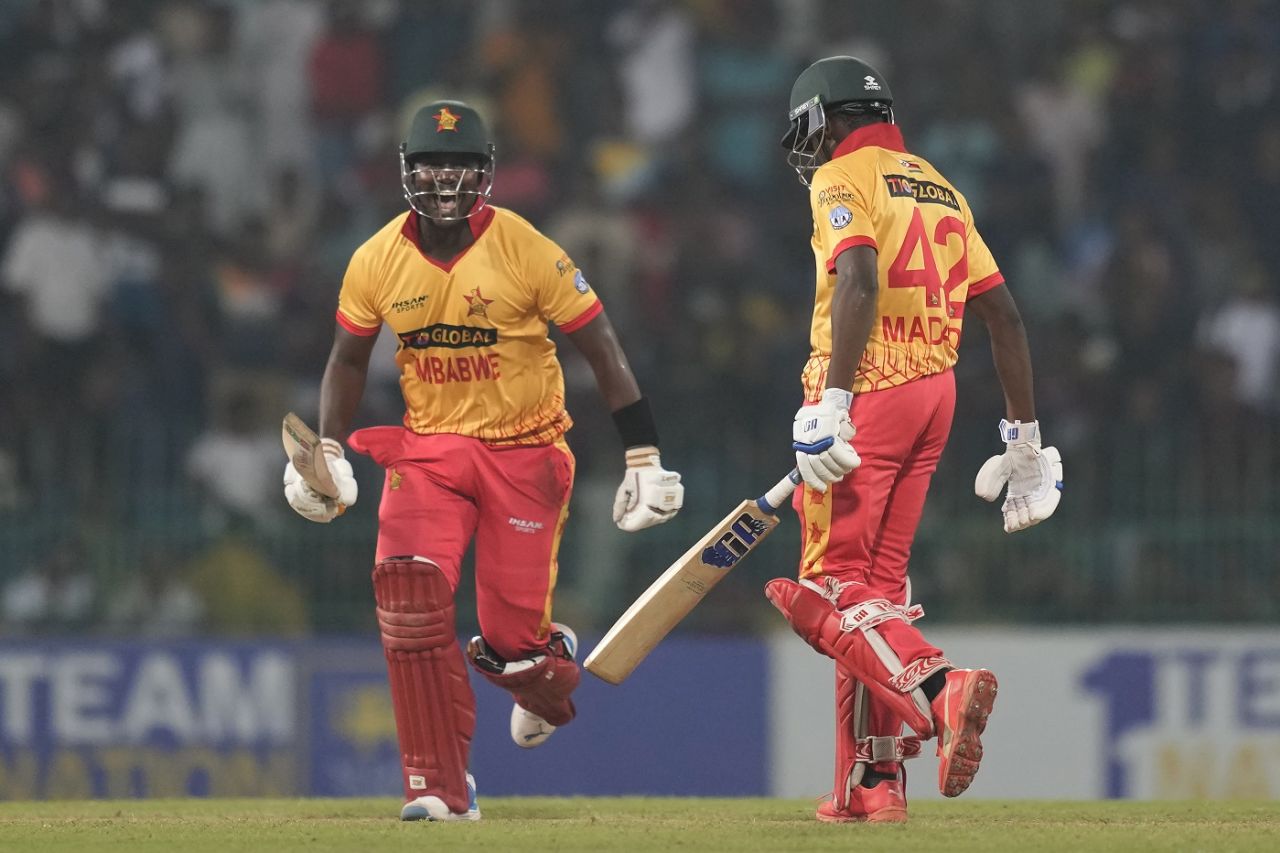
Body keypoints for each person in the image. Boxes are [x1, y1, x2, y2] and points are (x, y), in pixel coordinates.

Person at [282, 100, 684, 822]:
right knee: (406, 593)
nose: (444, 179)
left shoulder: (527, 247)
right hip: (430, 449)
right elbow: (346, 359)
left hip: (524, 451)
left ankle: (542, 675)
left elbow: (602, 347)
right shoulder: (375, 257)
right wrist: (329, 447)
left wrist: (643, 454)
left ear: (486, 173)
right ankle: (436, 785)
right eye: (432, 164)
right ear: (406, 171)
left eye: (461, 165)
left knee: (508, 643)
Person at [765, 57, 1063, 823]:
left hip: (870, 388)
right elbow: (1005, 317)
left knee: (830, 586)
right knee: (876, 592)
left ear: (827, 120)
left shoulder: (844, 176)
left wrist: (834, 401)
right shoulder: (940, 186)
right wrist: (1025, 437)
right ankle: (873, 783)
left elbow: (857, 277)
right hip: (938, 390)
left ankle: (940, 686)